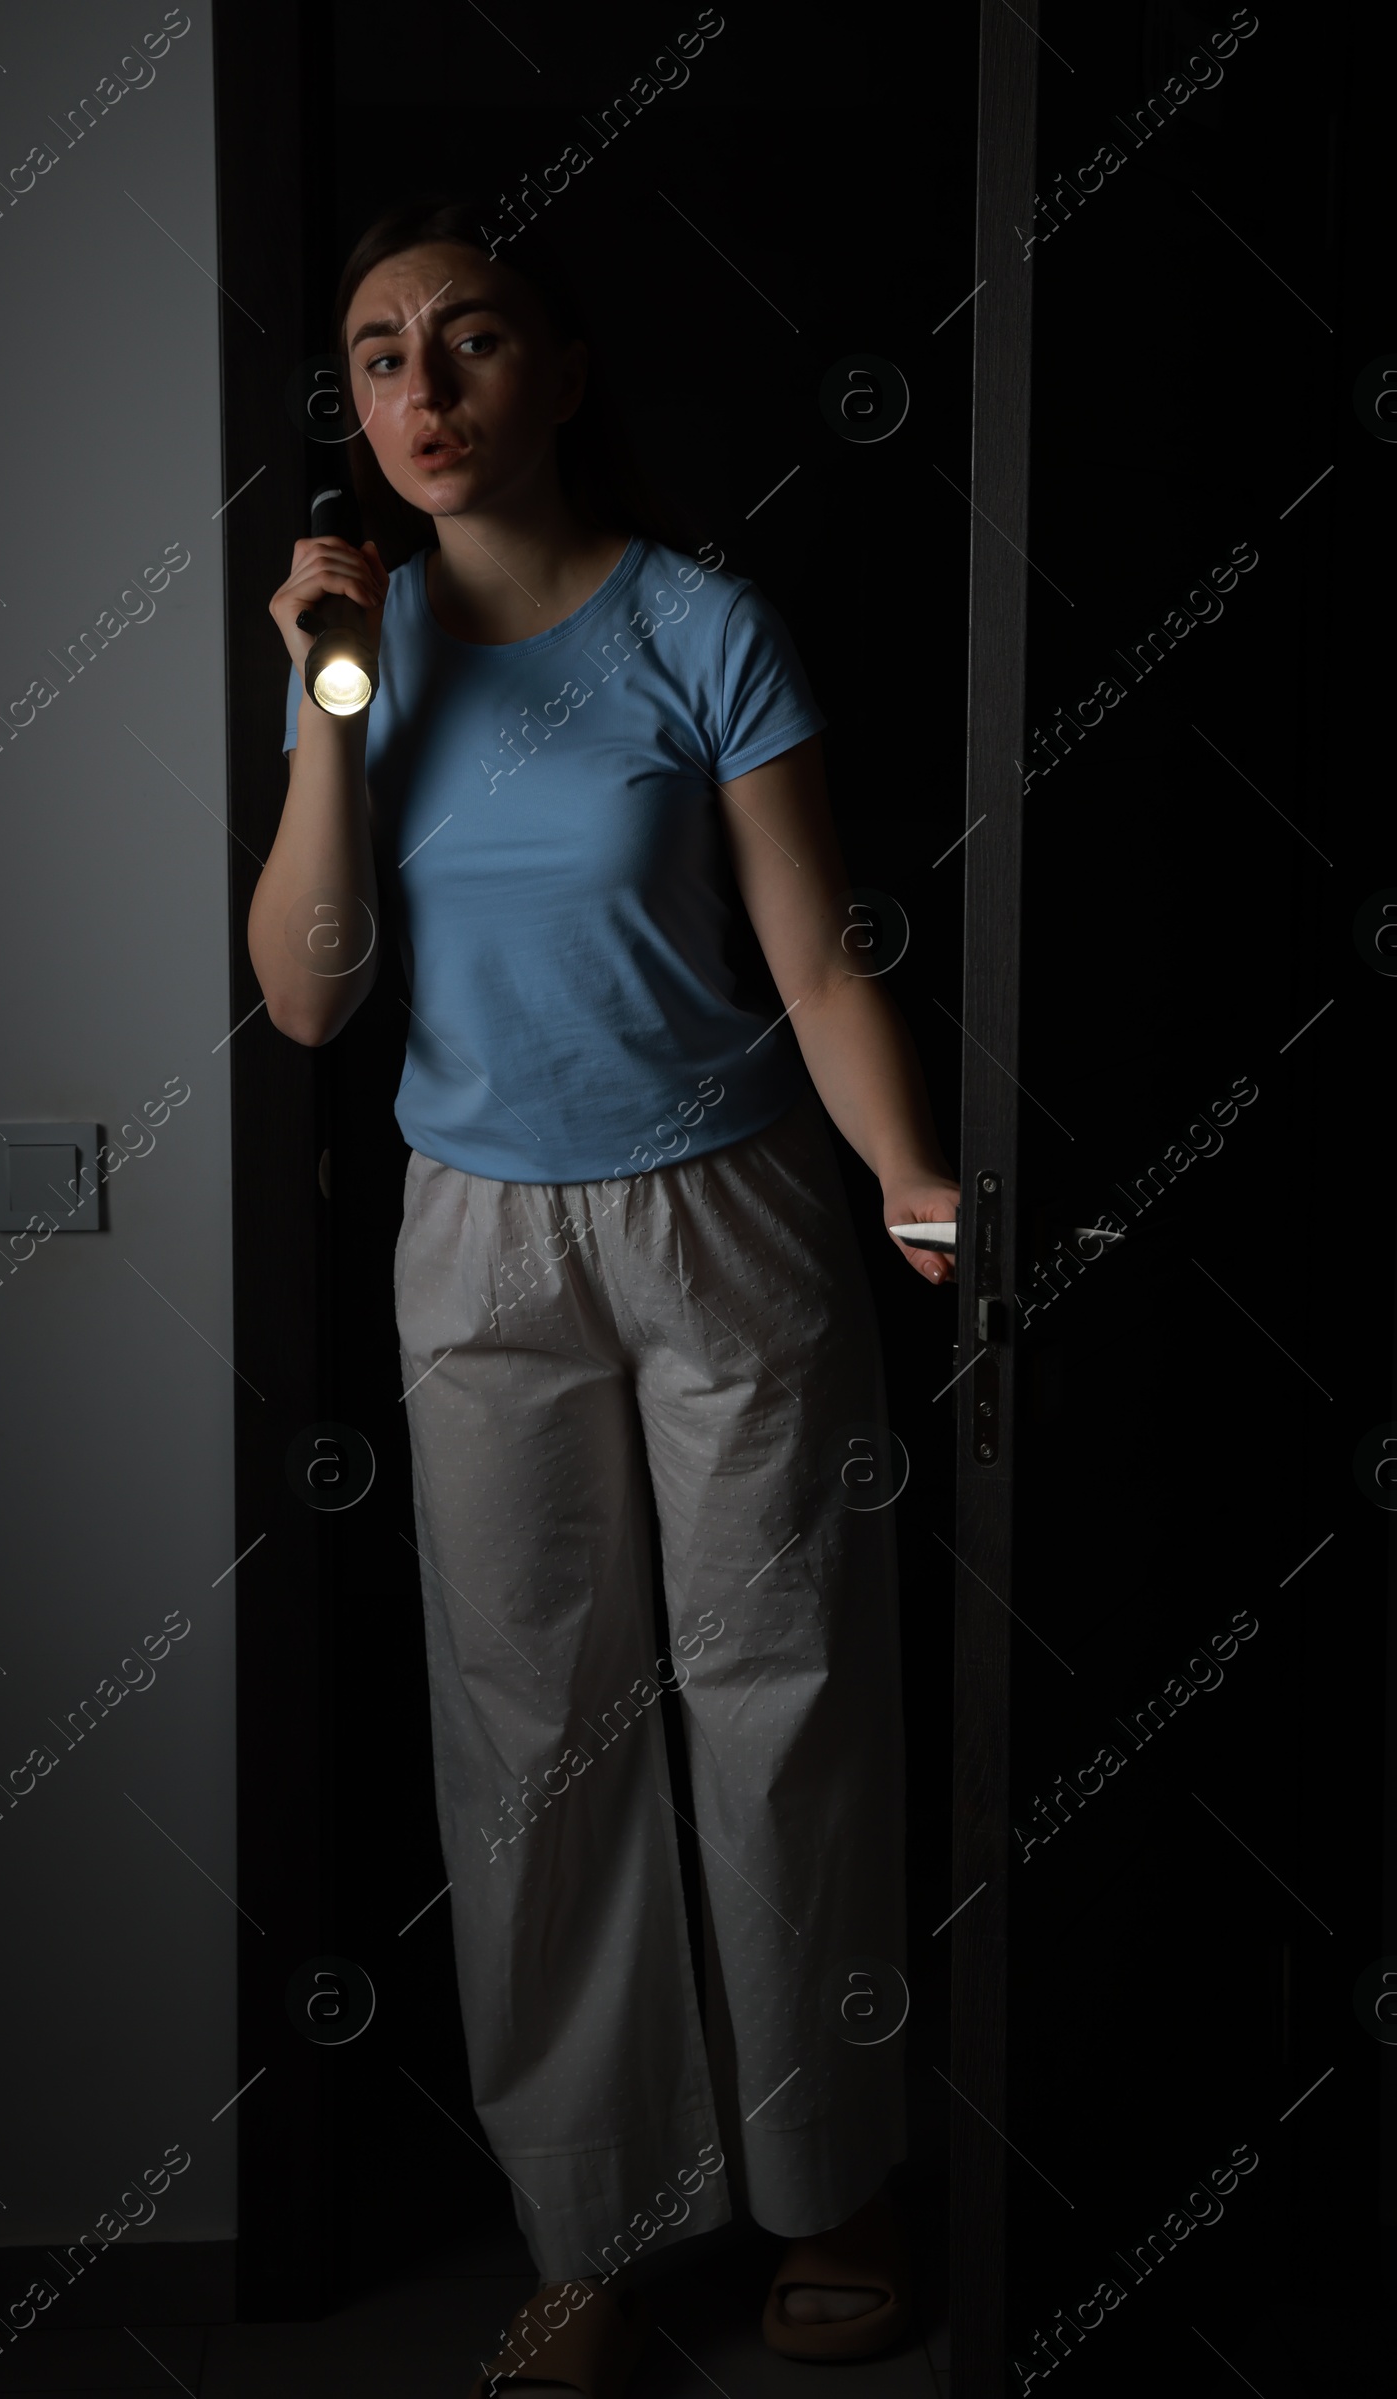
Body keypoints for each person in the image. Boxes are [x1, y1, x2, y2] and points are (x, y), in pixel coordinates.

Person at [248, 191, 960, 2396]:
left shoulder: (695, 623)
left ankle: (819, 2187)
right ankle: (586, 2231)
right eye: (377, 358)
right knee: (531, 1737)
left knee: (779, 1688)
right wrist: (325, 715)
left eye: (463, 342)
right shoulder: (359, 657)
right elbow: (303, 1003)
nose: (422, 392)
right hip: (475, 1237)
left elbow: (815, 951)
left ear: (557, 371)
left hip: (725, 1213)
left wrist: (920, 1188)